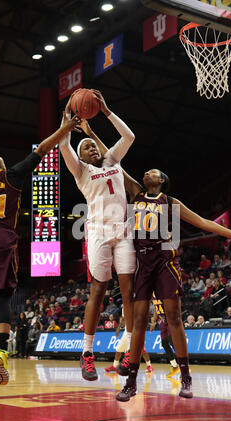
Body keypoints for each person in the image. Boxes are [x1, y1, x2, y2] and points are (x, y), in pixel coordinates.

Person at [115, 167, 231, 402]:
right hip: (142, 260)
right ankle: (131, 383)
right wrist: (89, 132)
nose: (146, 173)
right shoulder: (136, 193)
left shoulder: (171, 202)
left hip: (165, 260)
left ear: (162, 180)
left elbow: (203, 222)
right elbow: (115, 163)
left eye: (152, 172)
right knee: (139, 320)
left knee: (174, 318)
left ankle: (186, 377)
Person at [0, 116, 77, 385]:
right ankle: (0, 352)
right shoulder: (11, 175)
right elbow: (42, 149)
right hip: (1, 238)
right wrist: (66, 128)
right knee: (2, 297)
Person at [59, 90, 136, 381]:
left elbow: (128, 137)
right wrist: (67, 113)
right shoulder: (81, 172)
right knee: (98, 292)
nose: (92, 148)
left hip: (123, 231)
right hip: (99, 233)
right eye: (87, 146)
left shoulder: (114, 161)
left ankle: (128, 349)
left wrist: (105, 111)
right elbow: (64, 143)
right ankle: (87, 353)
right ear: (81, 157)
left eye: (93, 145)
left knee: (129, 291)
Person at [104, 308, 153, 373]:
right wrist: (118, 328)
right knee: (118, 349)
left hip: (136, 330)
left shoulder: (136, 304)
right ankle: (115, 366)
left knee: (142, 349)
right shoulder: (124, 306)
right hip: (127, 331)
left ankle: (149, 366)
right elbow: (124, 318)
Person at [150, 297, 180, 378]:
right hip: (163, 320)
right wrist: (153, 322)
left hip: (170, 317)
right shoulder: (153, 297)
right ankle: (175, 366)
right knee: (164, 343)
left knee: (172, 341)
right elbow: (156, 310)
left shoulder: (162, 293)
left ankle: (183, 366)